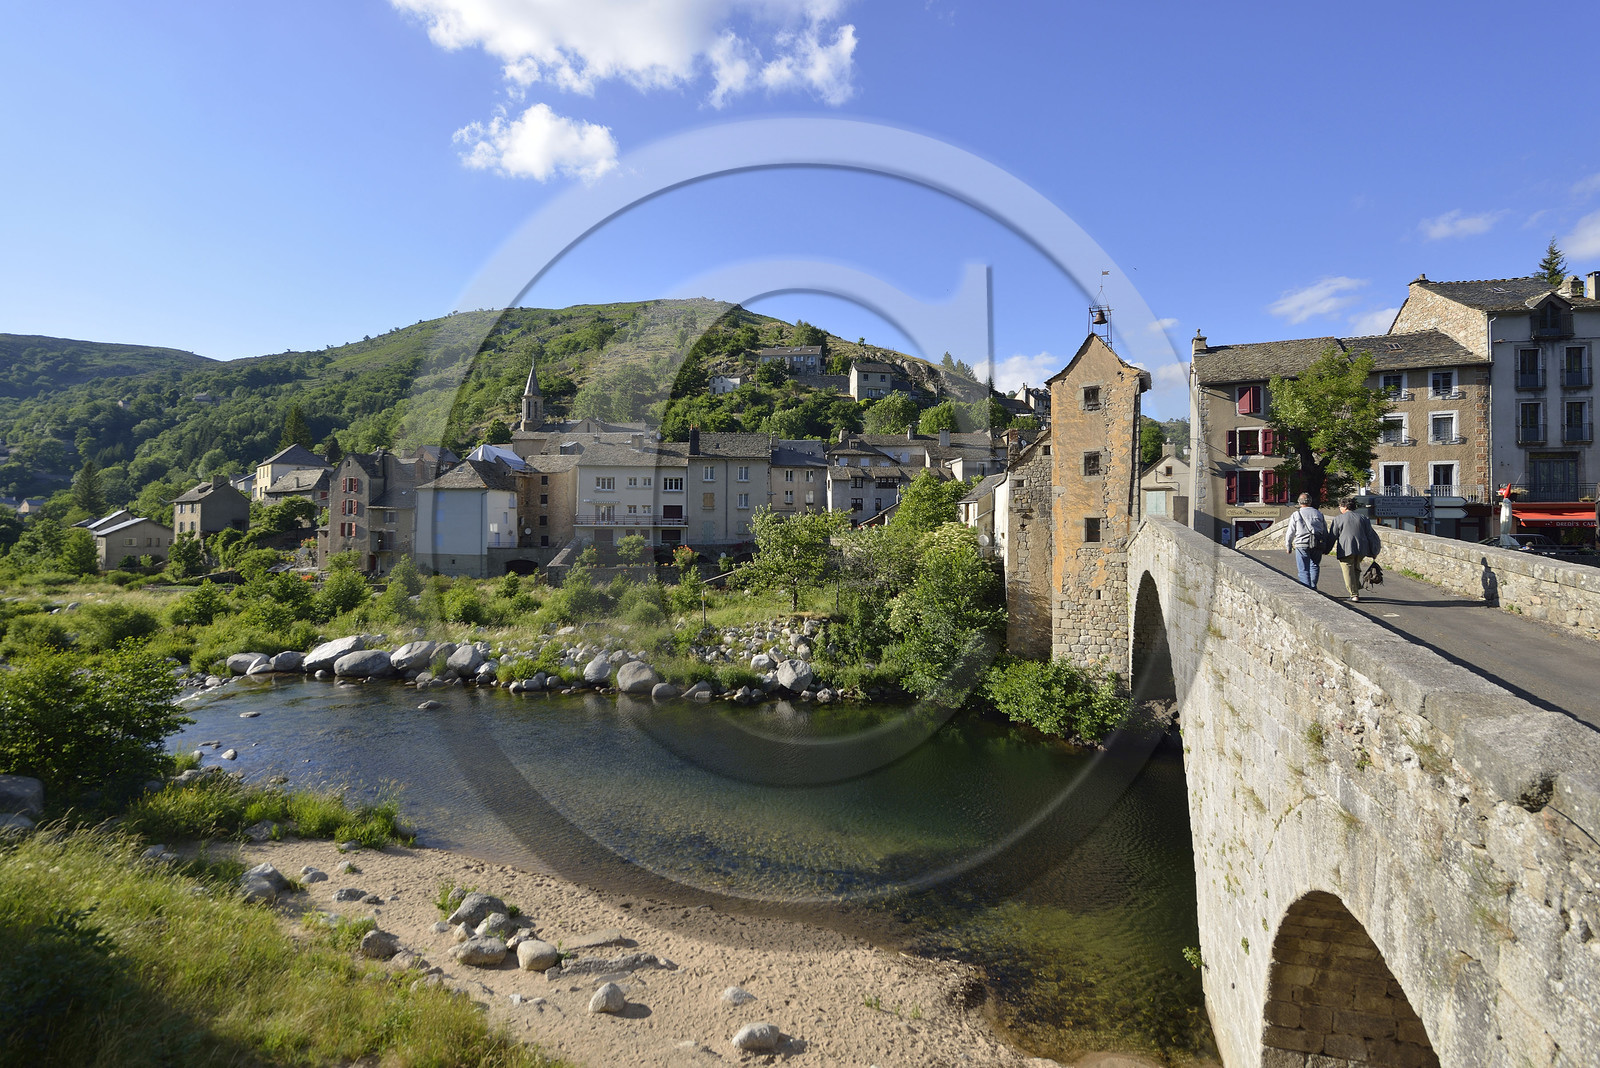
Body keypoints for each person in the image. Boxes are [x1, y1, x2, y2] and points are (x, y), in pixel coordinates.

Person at [1329, 497, 1382, 602]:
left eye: (1340, 506)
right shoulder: (1363, 518)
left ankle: (1354, 594)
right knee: (1356, 569)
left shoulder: (1338, 519)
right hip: (1361, 548)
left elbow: (1332, 536)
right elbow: (1370, 535)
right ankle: (1356, 588)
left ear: (1345, 506)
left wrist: (1326, 549)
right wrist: (1373, 551)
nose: (1339, 508)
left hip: (1346, 549)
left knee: (1347, 571)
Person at [1284, 492, 1328, 589]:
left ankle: (1307, 589)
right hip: (1317, 543)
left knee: (1303, 569)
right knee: (1314, 565)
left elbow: (1290, 531)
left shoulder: (1296, 514)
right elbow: (1325, 530)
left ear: (1299, 502)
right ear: (1310, 502)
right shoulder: (1319, 513)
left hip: (1301, 543)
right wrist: (1325, 545)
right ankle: (1313, 586)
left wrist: (1288, 545)